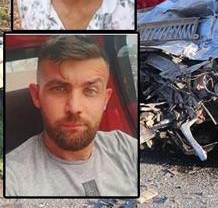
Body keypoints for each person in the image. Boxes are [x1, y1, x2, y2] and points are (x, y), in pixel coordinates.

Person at [5, 36, 137, 197]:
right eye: (59, 89)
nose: (74, 108)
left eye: (90, 91)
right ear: (36, 96)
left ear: (105, 99)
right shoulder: (13, 176)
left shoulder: (125, 147)